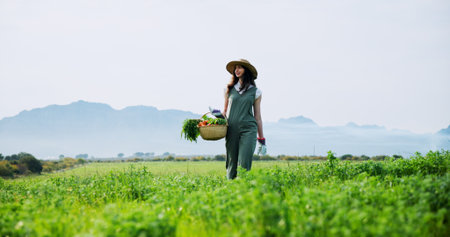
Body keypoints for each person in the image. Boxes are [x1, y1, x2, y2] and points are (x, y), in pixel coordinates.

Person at [223, 59, 267, 179]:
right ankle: (230, 192)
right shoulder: (229, 89)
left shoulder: (256, 92)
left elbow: (257, 116)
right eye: (235, 68)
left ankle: (242, 192)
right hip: (231, 130)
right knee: (232, 164)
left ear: (246, 70)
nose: (236, 70)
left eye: (240, 67)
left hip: (248, 130)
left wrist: (261, 139)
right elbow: (225, 112)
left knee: (244, 165)